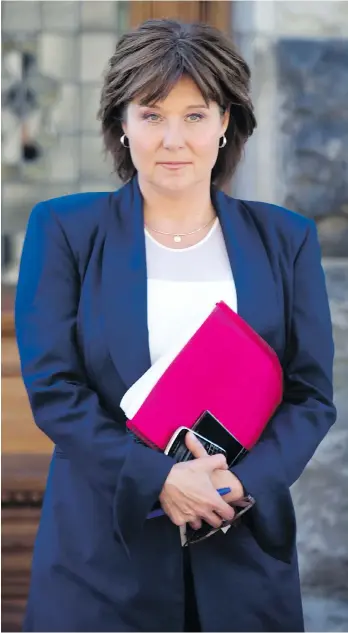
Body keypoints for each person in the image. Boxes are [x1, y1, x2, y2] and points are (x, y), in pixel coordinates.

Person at [15, 18, 336, 633]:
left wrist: (238, 486)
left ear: (225, 124)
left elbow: (311, 396)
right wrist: (160, 478)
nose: (173, 139)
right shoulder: (65, 231)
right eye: (152, 114)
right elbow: (56, 391)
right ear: (122, 123)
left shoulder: (285, 239)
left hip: (242, 553)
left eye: (195, 115)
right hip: (104, 556)